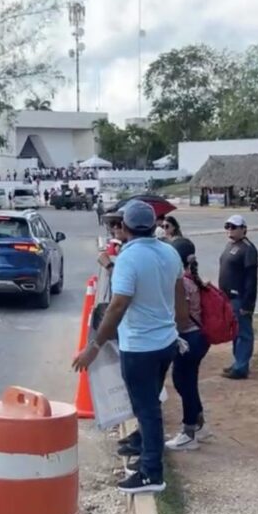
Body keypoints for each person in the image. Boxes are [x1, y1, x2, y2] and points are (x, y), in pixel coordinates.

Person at [72, 200, 188, 494]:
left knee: (146, 409)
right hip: (165, 342)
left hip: (140, 346)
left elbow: (118, 305)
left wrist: (94, 347)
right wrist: (180, 330)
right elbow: (179, 297)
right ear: (153, 225)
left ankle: (152, 473)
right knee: (149, 405)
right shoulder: (169, 252)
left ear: (124, 228)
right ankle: (148, 458)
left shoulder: (128, 258)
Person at [166, 238, 212, 451]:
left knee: (183, 382)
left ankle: (189, 432)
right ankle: (199, 423)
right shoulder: (191, 277)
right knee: (188, 382)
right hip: (198, 338)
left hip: (188, 338)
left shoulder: (182, 282)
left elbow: (182, 318)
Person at [218, 215, 258, 379]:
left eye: (234, 227)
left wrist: (248, 304)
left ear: (243, 229)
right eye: (227, 227)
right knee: (235, 331)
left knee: (244, 333)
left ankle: (241, 367)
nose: (230, 230)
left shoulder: (248, 249)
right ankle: (238, 362)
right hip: (228, 297)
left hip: (240, 297)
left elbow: (251, 279)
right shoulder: (231, 245)